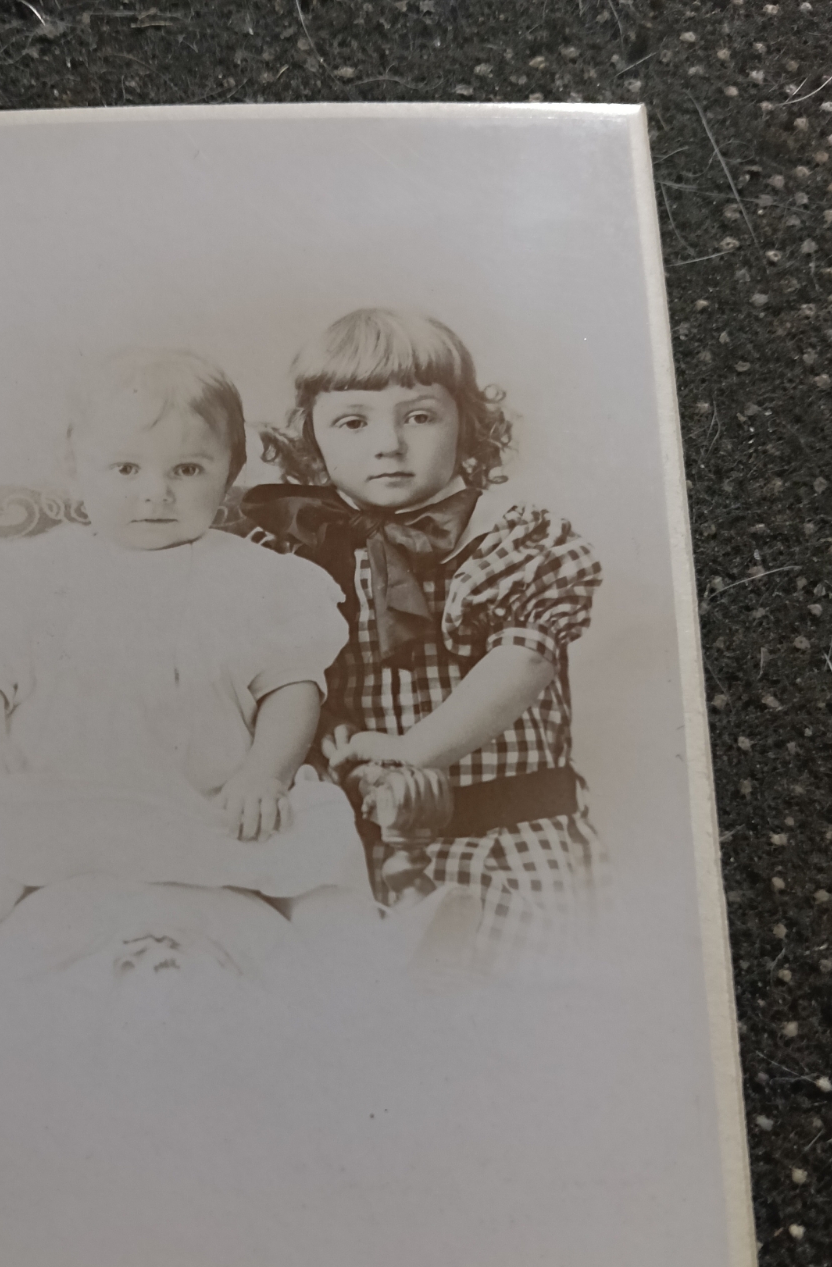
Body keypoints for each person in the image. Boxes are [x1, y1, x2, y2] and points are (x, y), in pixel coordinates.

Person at [0, 348, 370, 981]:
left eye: (187, 468)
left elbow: (293, 687)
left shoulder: (259, 580)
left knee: (315, 833)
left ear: (230, 470)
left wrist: (266, 773)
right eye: (125, 468)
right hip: (55, 789)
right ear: (75, 469)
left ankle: (365, 968)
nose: (156, 492)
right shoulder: (22, 573)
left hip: (206, 794)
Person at [242, 307, 603, 961]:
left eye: (419, 416)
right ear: (312, 441)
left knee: (528, 1008)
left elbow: (523, 662)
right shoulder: (290, 558)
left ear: (465, 426)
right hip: (360, 850)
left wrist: (415, 749)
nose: (389, 444)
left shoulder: (508, 539)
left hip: (506, 835)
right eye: (353, 422)